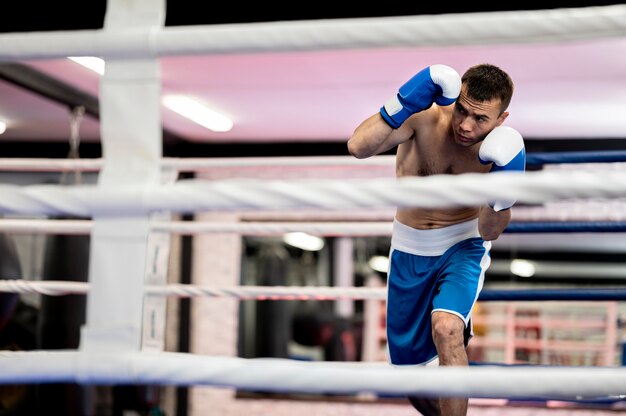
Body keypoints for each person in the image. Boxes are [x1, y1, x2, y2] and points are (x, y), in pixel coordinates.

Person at [347, 63, 525, 416]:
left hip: (463, 244)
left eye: (480, 119)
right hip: (409, 247)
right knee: (412, 383)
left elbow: (489, 231)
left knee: (446, 329)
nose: (465, 125)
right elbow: (357, 146)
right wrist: (404, 102)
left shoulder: (499, 150)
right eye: (462, 109)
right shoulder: (426, 117)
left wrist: (504, 191)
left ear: (501, 119)